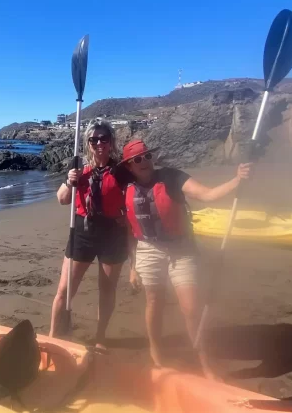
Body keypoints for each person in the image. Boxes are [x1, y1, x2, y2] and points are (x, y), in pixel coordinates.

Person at [120, 139, 251, 379]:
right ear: (129, 166)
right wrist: (132, 266)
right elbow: (130, 230)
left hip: (181, 250)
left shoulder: (172, 177)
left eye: (147, 156)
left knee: (191, 308)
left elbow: (208, 195)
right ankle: (156, 352)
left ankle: (205, 362)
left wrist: (237, 180)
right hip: (147, 250)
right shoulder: (126, 188)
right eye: (137, 159)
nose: (144, 162)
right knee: (154, 302)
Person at [49, 119, 131, 349]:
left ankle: (100, 337)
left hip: (113, 236)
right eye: (94, 139)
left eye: (104, 138)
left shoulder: (122, 171)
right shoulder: (79, 170)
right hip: (83, 232)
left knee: (106, 290)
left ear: (111, 142)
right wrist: (69, 181)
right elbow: (62, 199)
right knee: (64, 290)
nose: (99, 143)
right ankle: (54, 336)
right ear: (87, 143)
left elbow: (135, 196)